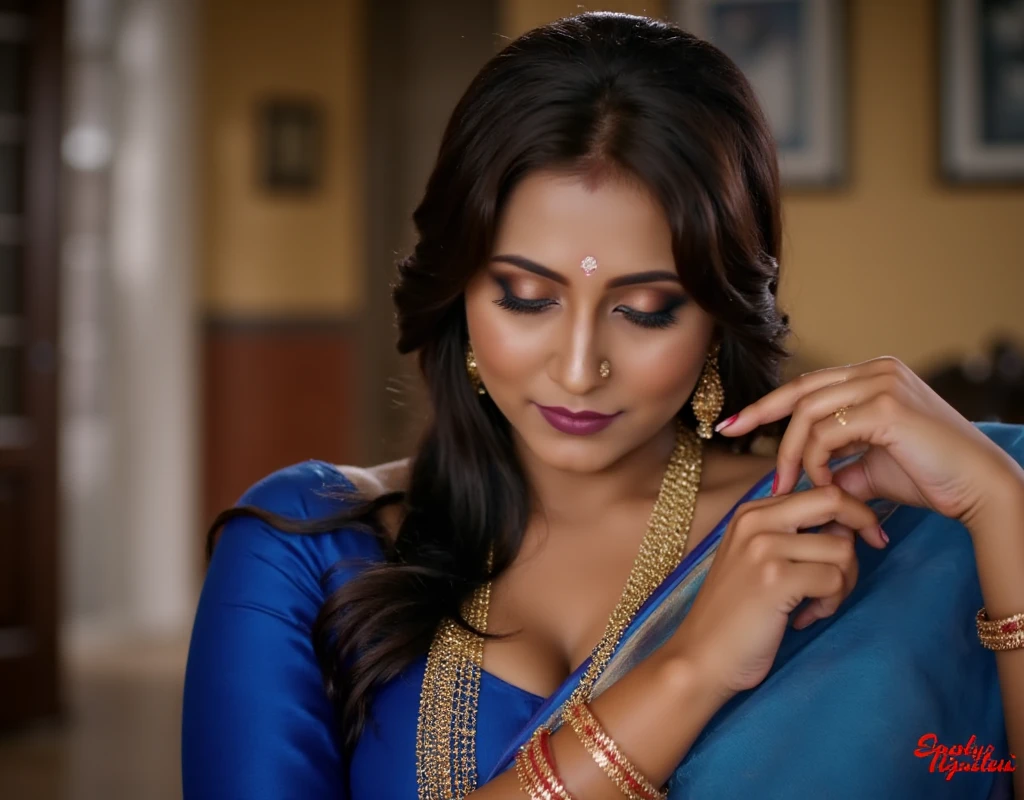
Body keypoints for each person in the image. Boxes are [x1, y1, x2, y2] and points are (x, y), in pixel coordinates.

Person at [181, 12, 1024, 799]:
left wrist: (1005, 509)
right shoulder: (306, 551)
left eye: (648, 309)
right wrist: (687, 673)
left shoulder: (861, 528)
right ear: (460, 294)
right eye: (524, 297)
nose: (580, 370)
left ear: (717, 316)